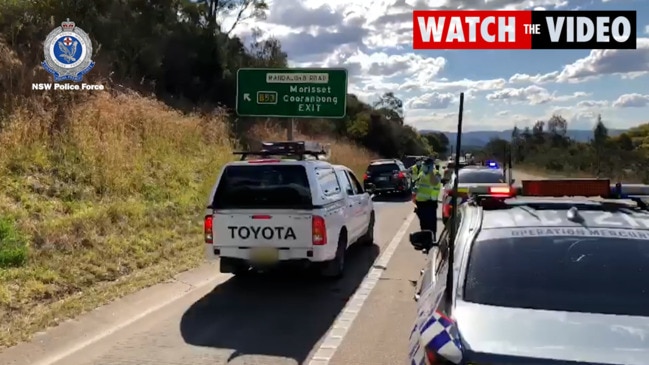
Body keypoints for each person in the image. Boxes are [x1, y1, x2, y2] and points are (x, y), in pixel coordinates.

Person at [412, 157, 443, 237]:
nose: (423, 167)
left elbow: (434, 183)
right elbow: (418, 184)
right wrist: (415, 189)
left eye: (425, 165)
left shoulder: (436, 174)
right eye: (423, 165)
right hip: (421, 203)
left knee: (431, 223)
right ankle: (425, 241)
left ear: (430, 166)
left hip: (430, 202)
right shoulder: (421, 173)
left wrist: (431, 172)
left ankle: (432, 239)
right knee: (423, 224)